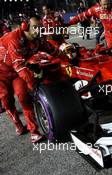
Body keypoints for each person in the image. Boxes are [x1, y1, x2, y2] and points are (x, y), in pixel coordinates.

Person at [0, 15, 68, 143]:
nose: (38, 31)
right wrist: (32, 82)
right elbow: (20, 67)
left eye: (40, 27)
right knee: (6, 101)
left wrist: (69, 59)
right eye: (35, 27)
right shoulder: (14, 38)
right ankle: (18, 124)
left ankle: (34, 131)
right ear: (25, 26)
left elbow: (53, 51)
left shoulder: (38, 40)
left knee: (24, 97)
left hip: (17, 71)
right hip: (2, 73)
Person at [68, 0, 112, 66]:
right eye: (104, 4)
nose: (106, 6)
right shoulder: (95, 9)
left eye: (108, 4)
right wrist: (69, 23)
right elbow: (82, 16)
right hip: (109, 36)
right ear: (99, 2)